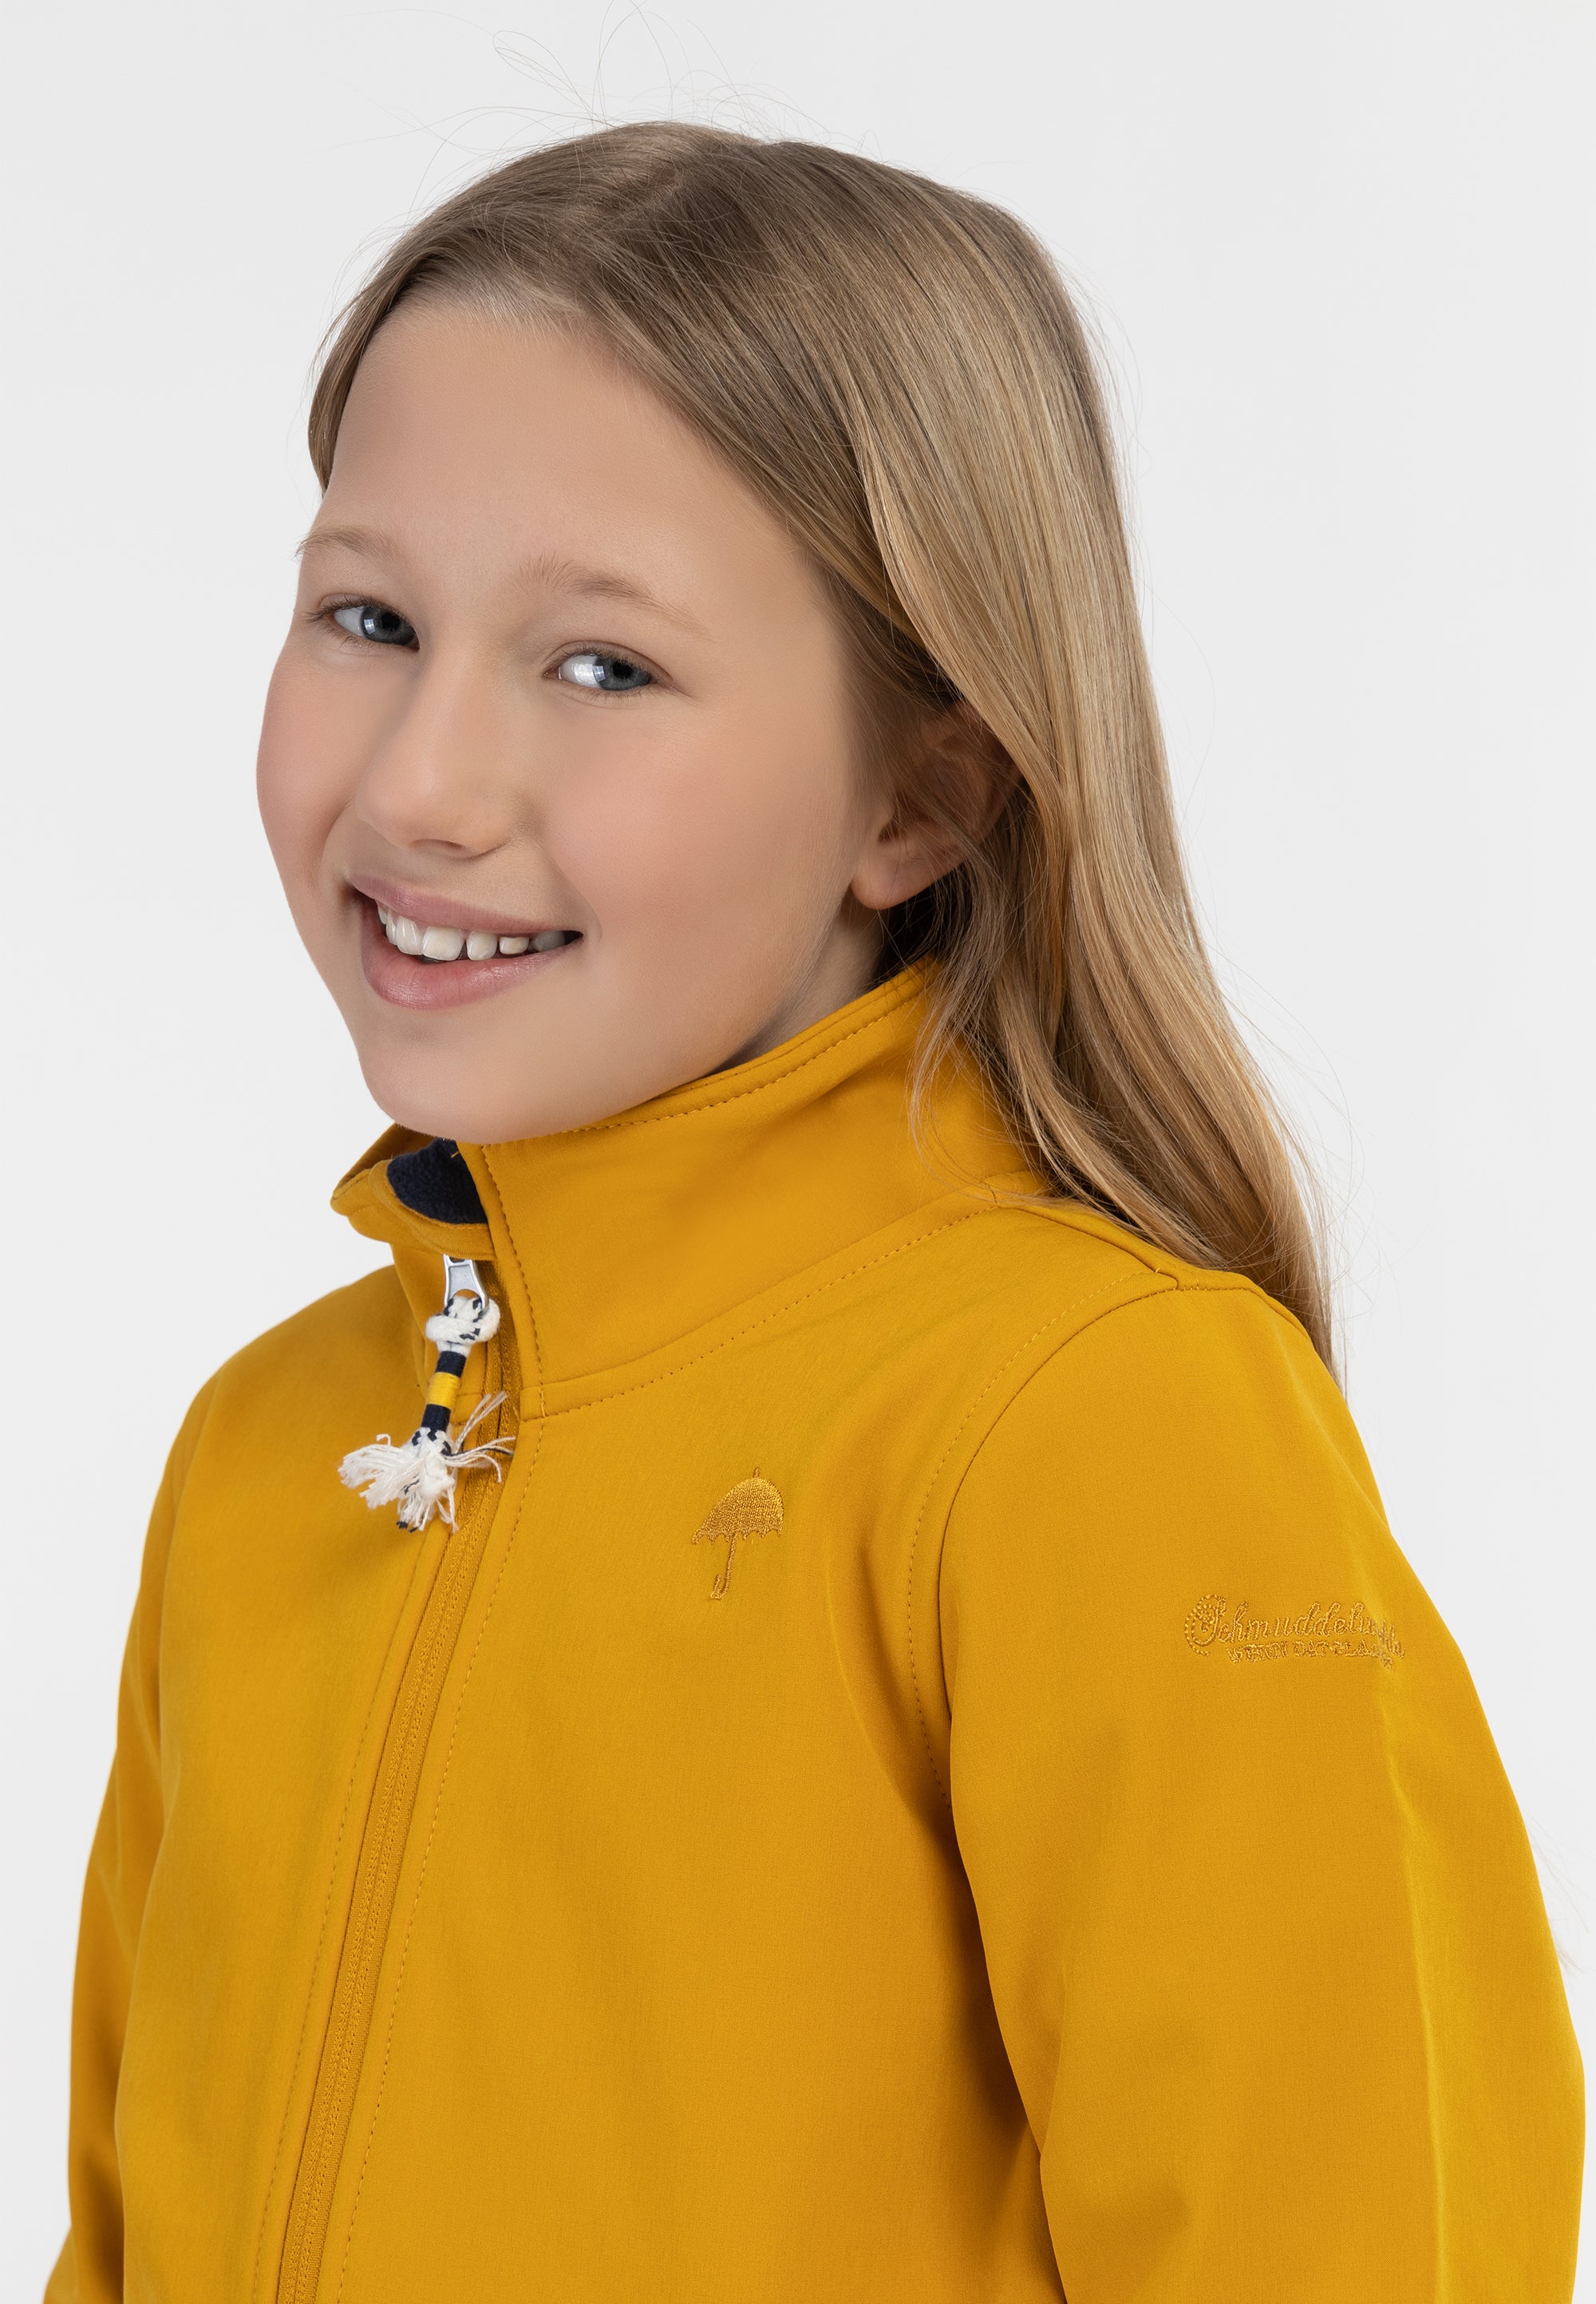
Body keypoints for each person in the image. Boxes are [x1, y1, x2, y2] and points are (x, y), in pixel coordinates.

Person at [48, 122, 1582, 2302]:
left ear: (921, 795)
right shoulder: (268, 1455)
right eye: (368, 619)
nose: (417, 786)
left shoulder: (1094, 1419)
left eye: (604, 666)